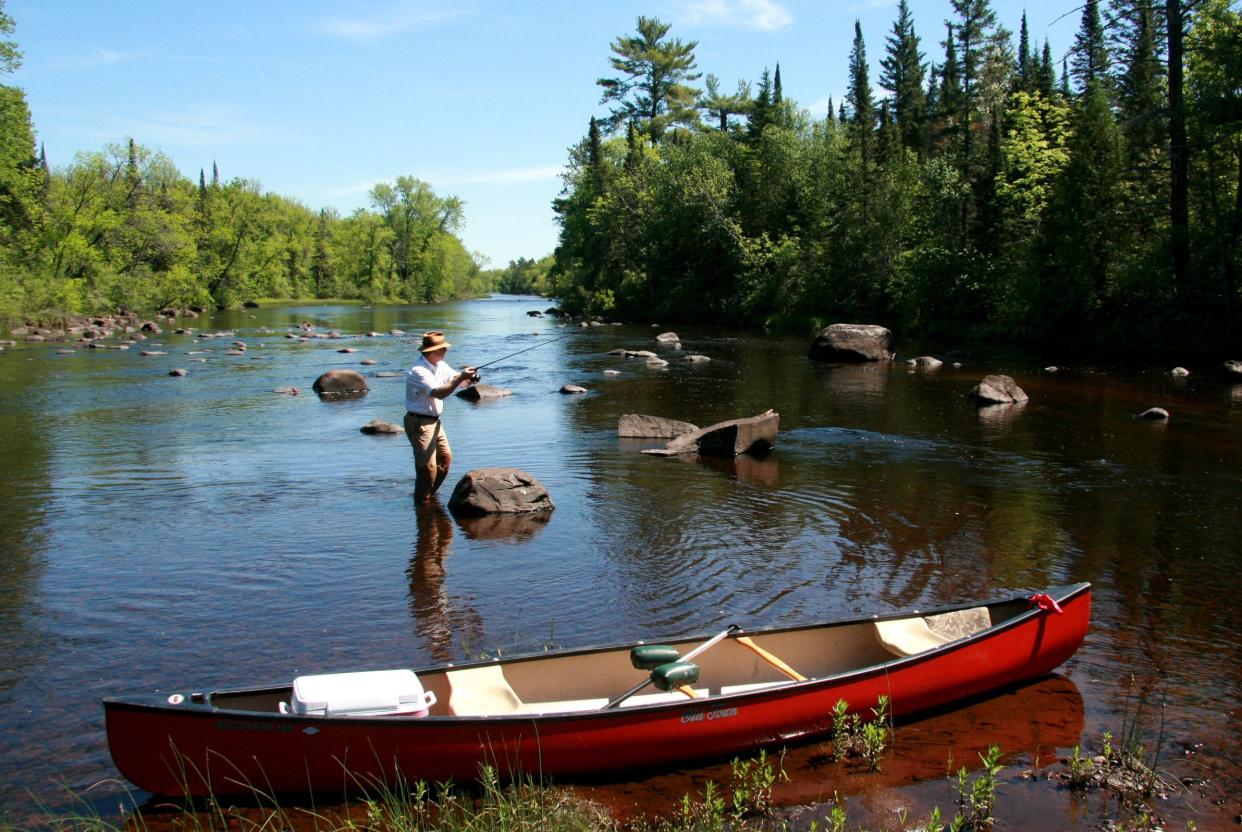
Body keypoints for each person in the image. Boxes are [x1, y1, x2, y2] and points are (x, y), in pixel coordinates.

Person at [404, 331, 478, 502]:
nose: (445, 351)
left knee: (445, 460)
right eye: (443, 349)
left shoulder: (441, 366)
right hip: (419, 422)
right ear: (433, 352)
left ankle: (428, 495)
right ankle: (422, 501)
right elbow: (439, 393)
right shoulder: (418, 371)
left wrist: (470, 379)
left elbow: (459, 382)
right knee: (427, 468)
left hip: (434, 421)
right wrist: (461, 377)